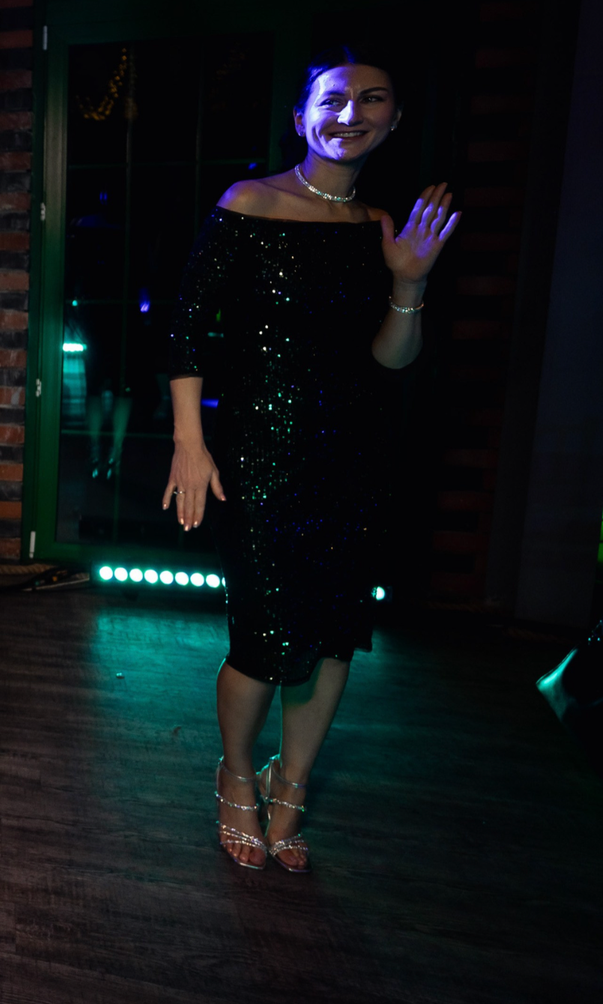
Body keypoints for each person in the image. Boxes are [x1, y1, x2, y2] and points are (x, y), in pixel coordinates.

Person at [164, 46, 458, 873]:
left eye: (372, 99)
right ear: (301, 118)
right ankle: (235, 774)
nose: (350, 113)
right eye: (332, 100)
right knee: (264, 636)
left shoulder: (381, 229)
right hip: (257, 455)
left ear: (393, 121)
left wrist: (409, 282)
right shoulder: (249, 202)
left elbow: (392, 360)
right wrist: (190, 442)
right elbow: (186, 327)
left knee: (332, 637)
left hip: (354, 459)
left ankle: (290, 787)